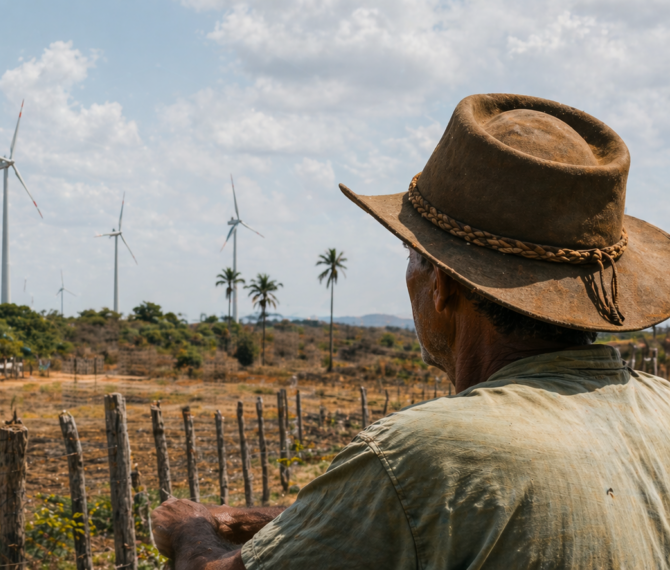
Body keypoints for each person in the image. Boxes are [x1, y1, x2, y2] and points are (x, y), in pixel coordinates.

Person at [152, 93, 670, 569]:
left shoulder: (421, 453)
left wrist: (189, 531)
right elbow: (425, 517)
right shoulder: (662, 409)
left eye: (412, 256)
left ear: (443, 285)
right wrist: (263, 521)